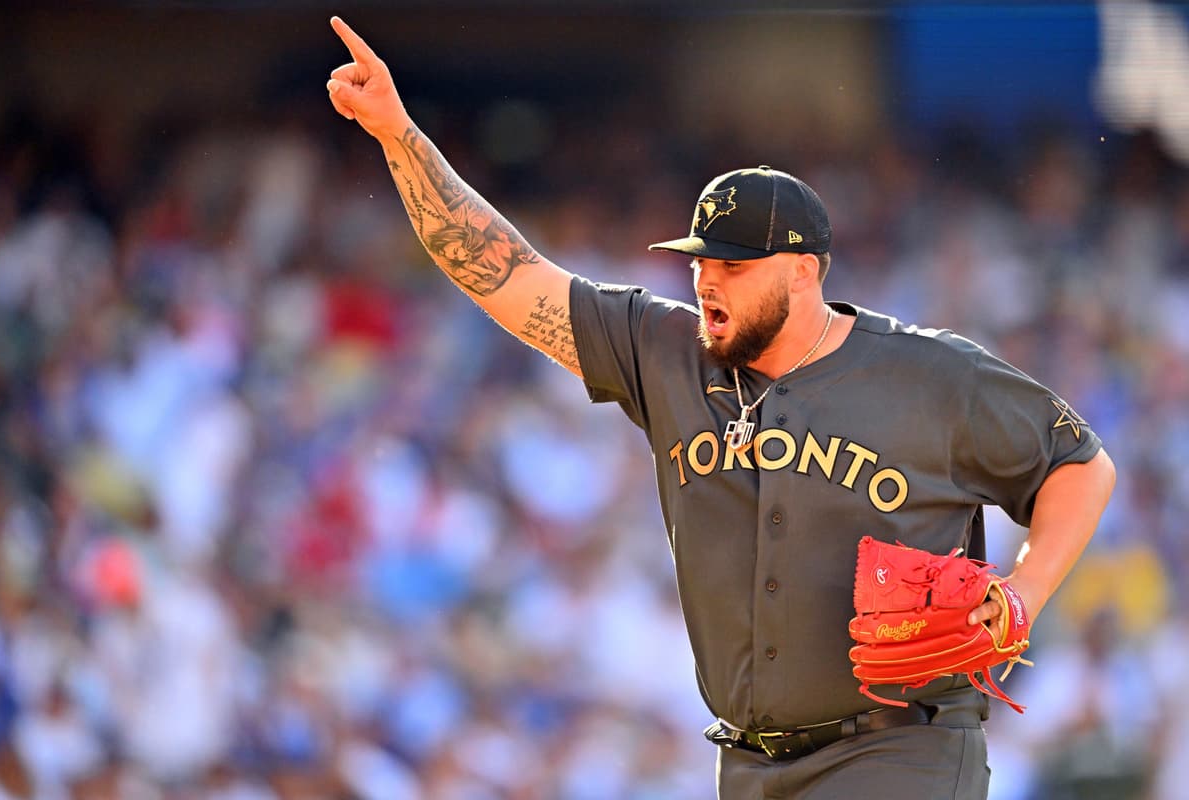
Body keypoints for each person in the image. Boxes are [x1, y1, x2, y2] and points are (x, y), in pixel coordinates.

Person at [324, 16, 1117, 799]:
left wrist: (1024, 592)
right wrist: (399, 137)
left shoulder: (930, 374)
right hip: (748, 764)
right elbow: (504, 274)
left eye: (735, 266)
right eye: (702, 259)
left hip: (898, 753)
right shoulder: (663, 351)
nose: (707, 280)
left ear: (803, 273)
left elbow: (1078, 465)